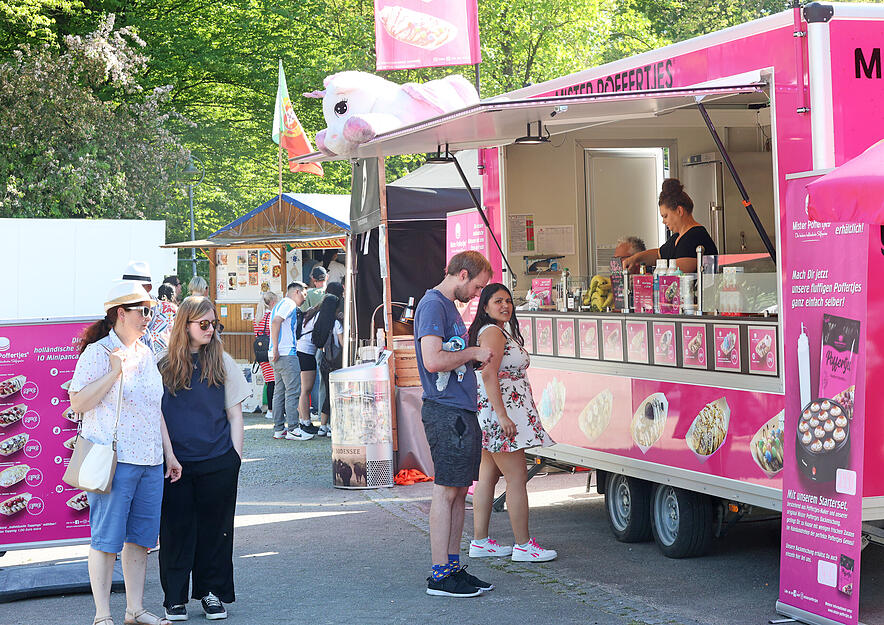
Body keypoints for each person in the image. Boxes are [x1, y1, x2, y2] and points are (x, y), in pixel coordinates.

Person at [69, 280, 181, 625]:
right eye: (142, 311)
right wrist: (115, 373)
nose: (148, 317)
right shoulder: (98, 352)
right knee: (106, 539)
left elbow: (153, 407)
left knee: (141, 540)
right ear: (121, 313)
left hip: (150, 459)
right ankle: (103, 615)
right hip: (114, 459)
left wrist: (169, 452)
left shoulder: (146, 352)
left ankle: (135, 609)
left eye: (149, 311)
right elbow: (77, 402)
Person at [157, 296, 250, 622]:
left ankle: (212, 594)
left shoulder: (222, 361)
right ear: (186, 325)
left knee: (217, 531)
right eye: (204, 324)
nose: (211, 330)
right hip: (175, 463)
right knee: (176, 531)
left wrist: (234, 459)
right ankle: (174, 598)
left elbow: (235, 414)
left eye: (215, 324)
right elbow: (155, 414)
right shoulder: (163, 366)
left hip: (217, 460)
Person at [413, 250, 494, 598]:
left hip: (458, 410)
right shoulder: (434, 306)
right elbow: (432, 360)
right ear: (462, 275)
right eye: (476, 288)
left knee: (459, 491)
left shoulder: (446, 308)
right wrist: (473, 353)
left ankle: (452, 567)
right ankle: (440, 574)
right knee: (447, 491)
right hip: (446, 411)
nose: (476, 295)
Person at [467, 284, 557, 563]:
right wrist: (503, 416)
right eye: (497, 301)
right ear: (485, 306)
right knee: (517, 478)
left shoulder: (494, 330)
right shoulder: (493, 332)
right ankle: (523, 545)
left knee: (487, 478)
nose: (505, 305)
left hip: (495, 412)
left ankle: (480, 541)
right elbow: (489, 374)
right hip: (500, 414)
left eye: (508, 301)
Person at [623, 178, 718, 274]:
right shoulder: (677, 238)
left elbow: (675, 273)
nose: (663, 221)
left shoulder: (695, 236)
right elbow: (658, 254)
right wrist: (634, 259)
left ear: (679, 211)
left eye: (665, 216)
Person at [269, 282, 311, 440]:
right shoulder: (289, 304)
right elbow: (276, 322)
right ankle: (293, 428)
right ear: (297, 292)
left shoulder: (279, 303)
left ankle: (279, 429)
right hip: (286, 353)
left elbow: (275, 322)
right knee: (293, 391)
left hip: (277, 354)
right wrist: (276, 348)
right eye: (304, 295)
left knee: (279, 392)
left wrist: (273, 348)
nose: (304, 299)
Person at [312, 282, 344, 437]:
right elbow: (343, 343)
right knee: (336, 394)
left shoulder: (320, 319)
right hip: (336, 362)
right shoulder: (336, 323)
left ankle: (322, 425)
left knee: (325, 391)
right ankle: (333, 425)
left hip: (324, 360)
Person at [122, 261, 173, 357]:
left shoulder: (171, 311)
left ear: (148, 288)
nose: (129, 292)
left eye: (134, 287)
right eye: (126, 287)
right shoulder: (121, 310)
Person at [254, 291, 279, 421]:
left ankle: (270, 409)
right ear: (272, 303)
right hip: (271, 351)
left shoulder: (257, 318)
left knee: (269, 381)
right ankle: (274, 409)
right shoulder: (272, 317)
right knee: (275, 382)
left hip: (260, 353)